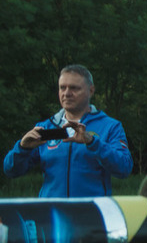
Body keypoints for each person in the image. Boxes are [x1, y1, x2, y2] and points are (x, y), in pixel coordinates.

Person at [4, 64, 133, 197]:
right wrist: (22, 148)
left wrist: (92, 142)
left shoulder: (110, 126)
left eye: (74, 88)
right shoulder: (45, 127)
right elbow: (11, 171)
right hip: (52, 209)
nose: (66, 93)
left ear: (91, 90)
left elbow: (124, 168)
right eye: (62, 87)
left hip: (90, 209)